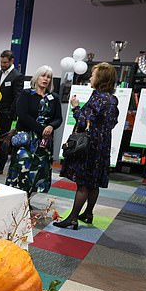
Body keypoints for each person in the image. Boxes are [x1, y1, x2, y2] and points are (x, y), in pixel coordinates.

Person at [54, 63, 119, 230]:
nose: (90, 77)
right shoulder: (112, 99)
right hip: (103, 145)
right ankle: (88, 213)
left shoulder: (97, 97)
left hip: (90, 145)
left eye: (93, 74)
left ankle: (73, 218)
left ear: (101, 79)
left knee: (83, 183)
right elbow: (112, 123)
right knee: (94, 182)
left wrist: (75, 107)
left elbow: (83, 122)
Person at [5, 65, 63, 195]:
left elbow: (58, 118)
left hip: (44, 142)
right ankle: (15, 199)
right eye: (43, 75)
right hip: (26, 139)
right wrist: (42, 129)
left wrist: (51, 126)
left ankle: (27, 199)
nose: (45, 79)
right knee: (21, 170)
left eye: (48, 77)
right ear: (37, 77)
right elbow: (23, 115)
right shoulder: (26, 94)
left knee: (37, 172)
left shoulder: (54, 97)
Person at [0, 50, 24, 175]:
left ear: (12, 61)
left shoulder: (17, 75)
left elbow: (17, 97)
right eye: (1, 62)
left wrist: (12, 115)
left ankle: (0, 167)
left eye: (5, 62)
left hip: (7, 114)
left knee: (4, 141)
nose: (2, 65)